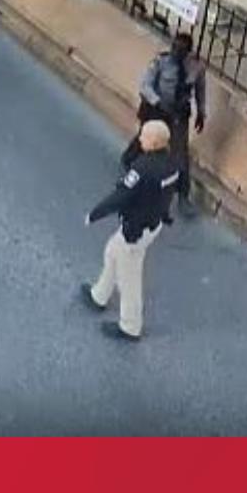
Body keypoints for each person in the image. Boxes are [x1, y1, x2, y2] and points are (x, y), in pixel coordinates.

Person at [81, 120, 179, 341]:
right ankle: (99, 295)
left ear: (153, 142)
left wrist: (94, 214)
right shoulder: (173, 164)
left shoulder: (143, 168)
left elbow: (121, 196)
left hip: (135, 229)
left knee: (129, 278)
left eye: (143, 136)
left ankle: (130, 326)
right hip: (153, 225)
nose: (140, 138)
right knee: (112, 252)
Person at [123, 32, 206, 210]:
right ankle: (130, 158)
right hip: (159, 108)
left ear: (188, 52)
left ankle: (183, 195)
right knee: (146, 139)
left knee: (180, 153)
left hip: (179, 114)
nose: (176, 51)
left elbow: (200, 91)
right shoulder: (161, 62)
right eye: (174, 47)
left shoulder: (196, 68)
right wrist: (158, 102)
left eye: (181, 49)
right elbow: (145, 85)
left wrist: (201, 113)